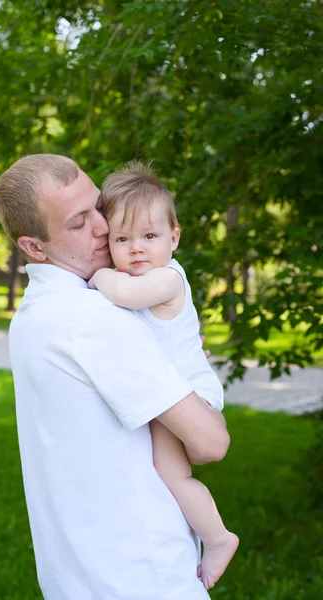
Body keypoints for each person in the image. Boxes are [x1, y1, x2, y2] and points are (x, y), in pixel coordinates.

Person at [0, 153, 230, 600]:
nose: (104, 227)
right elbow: (211, 443)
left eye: (98, 207)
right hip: (139, 576)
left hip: (80, 574)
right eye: (79, 222)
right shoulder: (93, 317)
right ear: (34, 247)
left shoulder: (35, 312)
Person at [88, 161, 239, 590]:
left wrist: (98, 275)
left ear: (174, 237)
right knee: (162, 472)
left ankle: (218, 538)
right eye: (122, 238)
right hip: (172, 390)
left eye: (149, 236)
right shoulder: (148, 273)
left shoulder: (167, 279)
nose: (136, 248)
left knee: (174, 475)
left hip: (188, 391)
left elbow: (125, 294)